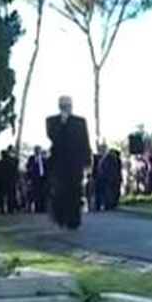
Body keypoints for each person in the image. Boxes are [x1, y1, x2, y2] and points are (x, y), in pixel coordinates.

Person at [45, 96, 91, 229]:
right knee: (60, 190)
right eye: (63, 105)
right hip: (59, 162)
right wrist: (63, 122)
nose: (66, 107)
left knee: (75, 190)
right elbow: (53, 136)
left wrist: (87, 160)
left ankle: (74, 220)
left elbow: (85, 140)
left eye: (68, 105)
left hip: (75, 161)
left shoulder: (80, 121)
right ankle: (60, 217)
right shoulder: (52, 121)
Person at [0, 147, 21, 214]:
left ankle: (2, 209)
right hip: (11, 182)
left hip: (1, 182)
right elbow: (16, 172)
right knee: (11, 195)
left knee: (1, 196)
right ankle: (10, 209)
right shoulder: (12, 162)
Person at [24, 147, 48, 214]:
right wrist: (28, 178)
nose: (38, 151)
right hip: (34, 178)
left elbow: (47, 168)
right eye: (36, 150)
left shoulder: (44, 159)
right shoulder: (31, 158)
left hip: (43, 178)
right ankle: (37, 207)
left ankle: (43, 208)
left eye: (39, 150)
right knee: (35, 193)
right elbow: (28, 168)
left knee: (43, 193)